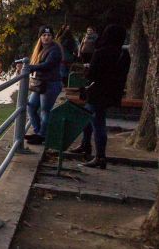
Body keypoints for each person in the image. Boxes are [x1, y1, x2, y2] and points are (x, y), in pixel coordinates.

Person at [68, 24, 130, 169]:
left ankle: (100, 156)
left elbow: (92, 74)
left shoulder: (101, 52)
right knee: (88, 117)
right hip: (112, 92)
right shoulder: (124, 54)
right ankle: (85, 144)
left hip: (97, 92)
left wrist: (88, 69)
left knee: (98, 123)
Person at [22, 25, 63, 145]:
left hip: (51, 84)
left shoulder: (55, 49)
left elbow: (47, 65)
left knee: (45, 111)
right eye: (44, 35)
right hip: (40, 84)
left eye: (49, 35)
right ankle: (38, 131)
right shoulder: (40, 49)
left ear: (52, 37)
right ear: (40, 37)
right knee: (31, 107)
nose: (46, 37)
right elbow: (38, 64)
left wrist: (30, 67)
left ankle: (42, 135)